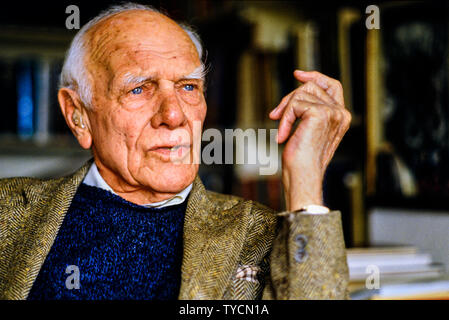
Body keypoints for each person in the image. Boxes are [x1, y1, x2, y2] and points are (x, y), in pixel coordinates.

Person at [0, 3, 351, 300]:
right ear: (78, 116)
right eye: (139, 89)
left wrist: (305, 176)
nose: (173, 114)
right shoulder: (8, 211)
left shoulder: (258, 234)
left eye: (188, 86)